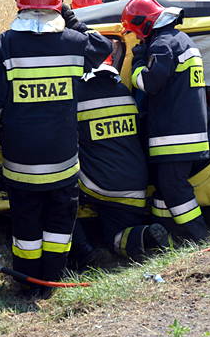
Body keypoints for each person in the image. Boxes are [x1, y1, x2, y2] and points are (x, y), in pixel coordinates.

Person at [0, 0, 112, 296]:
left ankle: (26, 283)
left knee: (26, 228)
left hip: (20, 163)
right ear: (59, 7)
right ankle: (50, 283)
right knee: (59, 227)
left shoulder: (4, 45)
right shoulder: (76, 44)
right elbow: (103, 46)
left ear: (19, 6)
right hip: (63, 161)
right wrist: (73, 20)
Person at [123, 0, 210, 242]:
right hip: (188, 131)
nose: (138, 38)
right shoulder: (181, 40)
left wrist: (138, 60)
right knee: (164, 188)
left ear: (144, 25)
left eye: (136, 33)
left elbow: (149, 84)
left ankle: (198, 237)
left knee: (174, 188)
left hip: (175, 136)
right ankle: (167, 235)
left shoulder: (162, 45)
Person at [74, 49, 172, 262]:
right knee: (125, 223)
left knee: (114, 239)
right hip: (136, 177)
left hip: (103, 184)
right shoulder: (120, 89)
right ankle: (150, 234)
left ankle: (145, 238)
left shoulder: (76, 93)